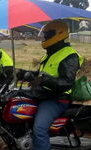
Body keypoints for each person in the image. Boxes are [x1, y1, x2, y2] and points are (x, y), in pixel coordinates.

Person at [16, 20, 84, 150]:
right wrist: (23, 72)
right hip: (43, 94)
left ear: (59, 34)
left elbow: (67, 82)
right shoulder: (51, 53)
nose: (45, 38)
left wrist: (43, 80)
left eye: (48, 35)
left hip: (57, 98)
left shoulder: (69, 55)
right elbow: (42, 74)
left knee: (39, 129)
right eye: (45, 35)